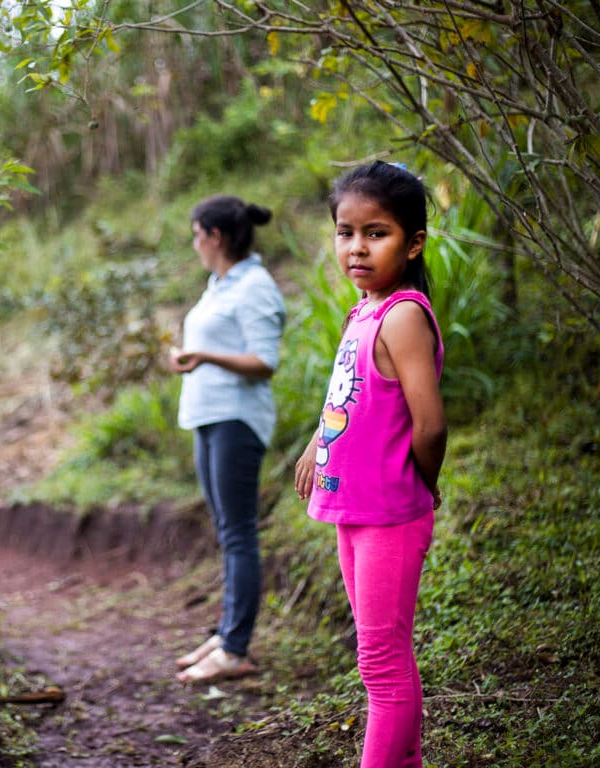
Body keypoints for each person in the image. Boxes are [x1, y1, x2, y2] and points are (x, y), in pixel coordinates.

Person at [294, 161, 447, 768]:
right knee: (384, 657)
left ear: (412, 244)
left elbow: (430, 423)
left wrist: (423, 485)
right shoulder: (364, 309)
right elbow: (347, 396)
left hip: (389, 512)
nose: (357, 247)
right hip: (354, 510)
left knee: (380, 666)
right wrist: (314, 445)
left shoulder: (403, 314)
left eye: (375, 233)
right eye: (345, 231)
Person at [169, 194, 286, 684]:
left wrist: (205, 357)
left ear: (215, 237)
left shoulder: (255, 286)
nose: (194, 245)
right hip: (209, 415)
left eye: (197, 235)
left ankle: (236, 649)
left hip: (238, 418)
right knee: (227, 529)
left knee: (239, 532)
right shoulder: (219, 285)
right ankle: (225, 634)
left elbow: (265, 362)